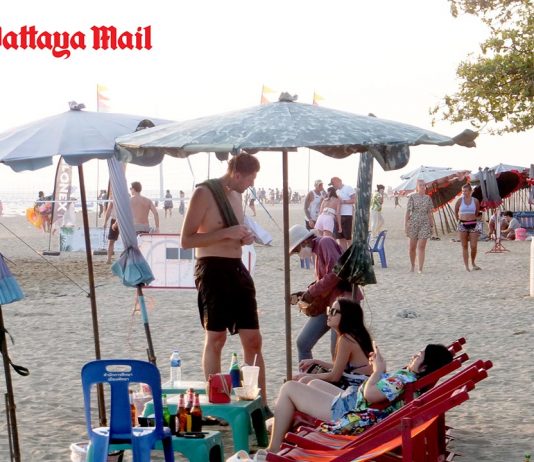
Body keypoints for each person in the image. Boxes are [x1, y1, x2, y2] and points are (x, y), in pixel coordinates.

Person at [180, 153, 269, 407]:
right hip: (212, 269)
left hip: (236, 267)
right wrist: (227, 233)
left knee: (253, 339)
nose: (251, 185)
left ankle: (261, 404)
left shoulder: (237, 195)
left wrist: (244, 237)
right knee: (216, 338)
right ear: (236, 174)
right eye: (249, 179)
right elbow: (186, 240)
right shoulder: (204, 193)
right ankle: (218, 403)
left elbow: (232, 234)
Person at [267, 342, 453, 452]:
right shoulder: (411, 380)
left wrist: (377, 371)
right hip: (356, 404)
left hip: (352, 413)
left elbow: (370, 394)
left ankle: (273, 448)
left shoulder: (402, 379)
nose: (414, 356)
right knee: (312, 383)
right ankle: (282, 424)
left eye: (419, 355)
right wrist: (379, 371)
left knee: (289, 388)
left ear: (424, 367)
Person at [289, 224, 362, 362]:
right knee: (303, 343)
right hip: (330, 304)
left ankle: (337, 376)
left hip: (344, 304)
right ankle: (306, 373)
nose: (299, 254)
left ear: (304, 242)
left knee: (337, 352)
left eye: (297, 250)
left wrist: (311, 292)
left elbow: (336, 273)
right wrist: (305, 293)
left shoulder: (325, 242)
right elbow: (325, 281)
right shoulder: (317, 252)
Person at [294, 298, 373, 388]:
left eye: (334, 312)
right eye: (329, 310)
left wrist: (306, 376)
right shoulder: (354, 335)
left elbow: (335, 377)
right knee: (308, 373)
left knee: (304, 380)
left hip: (358, 387)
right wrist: (316, 361)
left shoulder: (346, 339)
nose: (329, 314)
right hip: (362, 383)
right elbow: (340, 368)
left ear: (346, 316)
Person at [405, 179, 434, 273]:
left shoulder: (428, 198)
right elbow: (408, 212)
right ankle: (412, 265)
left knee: (421, 246)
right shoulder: (412, 197)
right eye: (420, 185)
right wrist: (406, 225)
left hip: (424, 223)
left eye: (423, 185)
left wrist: (431, 225)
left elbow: (429, 212)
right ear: (417, 187)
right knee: (412, 247)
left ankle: (420, 268)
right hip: (413, 223)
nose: (422, 187)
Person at [454, 183, 482, 271]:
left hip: (473, 223)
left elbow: (476, 212)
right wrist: (458, 220)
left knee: (473, 246)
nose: (464, 193)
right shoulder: (460, 200)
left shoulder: (475, 201)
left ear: (470, 191)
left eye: (465, 191)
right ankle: (466, 266)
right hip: (462, 224)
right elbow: (456, 210)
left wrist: (472, 217)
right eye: (463, 191)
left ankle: (473, 263)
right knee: (464, 245)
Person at [329, 177, 355, 251]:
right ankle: (344, 254)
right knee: (340, 238)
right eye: (332, 184)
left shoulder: (348, 188)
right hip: (338, 216)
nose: (333, 185)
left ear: (339, 181)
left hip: (347, 215)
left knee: (348, 237)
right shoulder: (336, 191)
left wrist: (343, 202)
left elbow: (354, 199)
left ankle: (351, 253)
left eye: (333, 183)